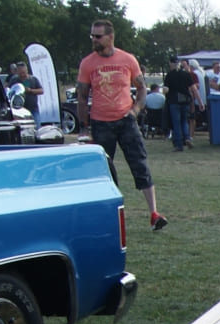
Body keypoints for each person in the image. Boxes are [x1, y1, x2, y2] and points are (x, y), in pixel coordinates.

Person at [76, 19, 166, 231]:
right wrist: (83, 127)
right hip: (100, 122)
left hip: (125, 121)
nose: (94, 40)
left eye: (97, 36)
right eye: (92, 36)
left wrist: (135, 111)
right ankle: (107, 216)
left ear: (110, 37)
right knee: (103, 171)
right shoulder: (88, 63)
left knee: (140, 164)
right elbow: (81, 97)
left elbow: (142, 88)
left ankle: (154, 213)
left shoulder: (127, 59)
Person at [163, 54, 198, 151]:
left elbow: (166, 89)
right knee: (184, 121)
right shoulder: (186, 74)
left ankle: (179, 144)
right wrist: (199, 102)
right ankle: (187, 137)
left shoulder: (169, 75)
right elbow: (193, 88)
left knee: (176, 123)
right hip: (185, 100)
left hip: (174, 101)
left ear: (170, 63)